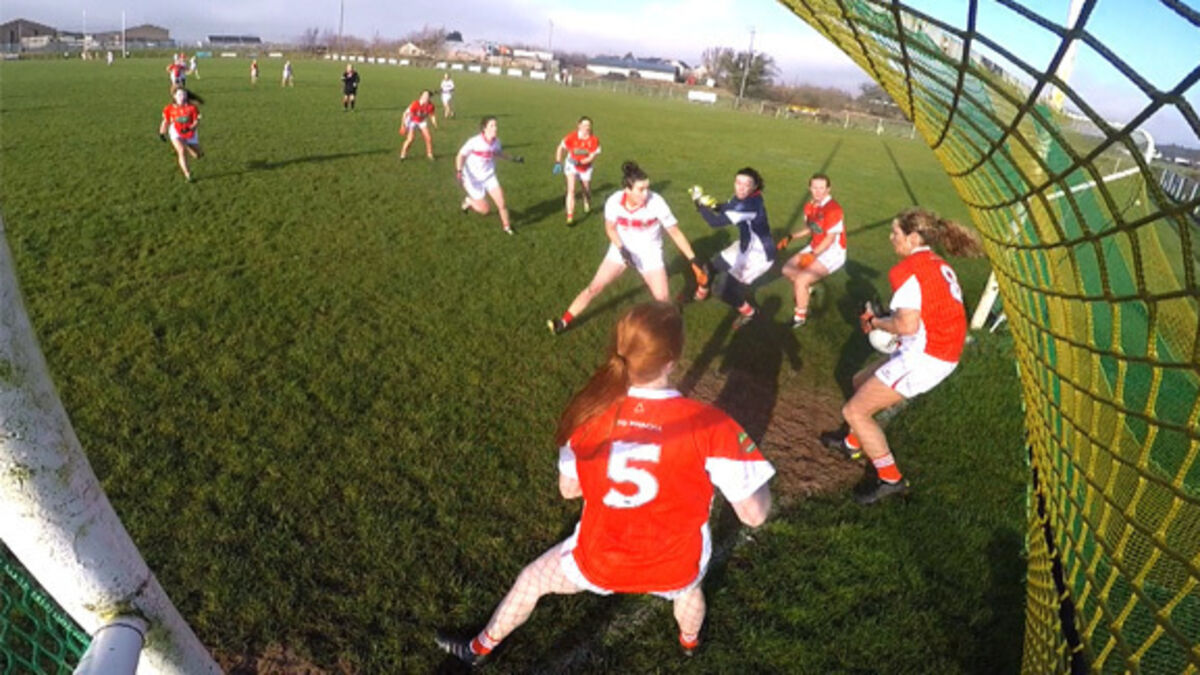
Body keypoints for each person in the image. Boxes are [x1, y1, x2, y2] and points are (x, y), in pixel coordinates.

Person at [436, 301, 775, 666]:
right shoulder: (712, 425)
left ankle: (477, 649)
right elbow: (754, 515)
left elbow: (569, 490)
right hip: (675, 563)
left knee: (532, 580)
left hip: (599, 559)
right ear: (672, 360)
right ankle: (689, 643)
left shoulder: (589, 413)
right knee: (689, 589)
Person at [821, 207, 983, 504]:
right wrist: (885, 321)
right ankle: (852, 443)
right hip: (939, 348)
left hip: (927, 357)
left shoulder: (906, 271)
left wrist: (876, 322)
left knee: (854, 412)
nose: (890, 237)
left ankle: (890, 479)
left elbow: (906, 326)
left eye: (895, 232)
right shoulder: (937, 263)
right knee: (860, 381)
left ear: (913, 237)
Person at [548, 162, 707, 335]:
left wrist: (693, 260)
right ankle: (563, 322)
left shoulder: (657, 202)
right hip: (620, 249)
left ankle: (671, 332)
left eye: (647, 188)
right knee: (594, 287)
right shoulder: (614, 202)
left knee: (663, 301)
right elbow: (610, 228)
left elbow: (675, 232)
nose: (646, 193)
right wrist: (622, 249)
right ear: (627, 189)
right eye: (641, 189)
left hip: (650, 254)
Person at [689, 167, 774, 329]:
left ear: (754, 187)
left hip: (758, 256)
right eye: (738, 182)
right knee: (710, 267)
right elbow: (729, 207)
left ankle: (750, 313)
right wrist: (714, 205)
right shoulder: (748, 197)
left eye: (746, 184)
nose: (741, 188)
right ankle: (702, 293)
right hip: (746, 245)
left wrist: (699, 205)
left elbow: (715, 222)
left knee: (723, 291)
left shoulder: (749, 205)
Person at [776, 174, 846, 328]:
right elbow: (811, 228)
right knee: (787, 270)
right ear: (810, 188)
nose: (818, 191)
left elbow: (829, 239)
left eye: (822, 188)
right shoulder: (810, 206)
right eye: (815, 187)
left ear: (828, 189)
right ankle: (808, 289)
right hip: (815, 246)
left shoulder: (833, 209)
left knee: (801, 280)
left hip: (833, 252)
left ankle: (800, 317)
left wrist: (812, 256)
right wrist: (791, 237)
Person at [456, 116, 523, 235]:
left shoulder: (496, 142)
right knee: (485, 210)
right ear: (484, 128)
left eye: (496, 125)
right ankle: (469, 201)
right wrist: (459, 171)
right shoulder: (474, 141)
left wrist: (514, 158)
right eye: (492, 126)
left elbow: (498, 153)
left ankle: (507, 227)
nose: (495, 128)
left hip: (489, 176)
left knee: (501, 202)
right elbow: (460, 155)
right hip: (473, 179)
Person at [554, 116, 602, 225]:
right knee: (571, 190)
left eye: (588, 125)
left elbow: (591, 157)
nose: (587, 127)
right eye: (584, 125)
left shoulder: (594, 140)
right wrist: (558, 162)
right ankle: (570, 216)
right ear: (579, 125)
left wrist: (581, 162)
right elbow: (560, 147)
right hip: (571, 165)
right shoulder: (572, 137)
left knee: (586, 189)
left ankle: (587, 201)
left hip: (585, 167)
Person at [158, 87, 205, 182]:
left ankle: (186, 145)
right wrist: (162, 133)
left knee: (198, 155)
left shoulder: (192, 108)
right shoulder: (169, 108)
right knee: (181, 151)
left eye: (184, 94)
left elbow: (196, 122)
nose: (182, 97)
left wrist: (190, 128)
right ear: (174, 96)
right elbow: (165, 121)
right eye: (179, 95)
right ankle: (188, 175)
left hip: (190, 132)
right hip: (176, 131)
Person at [400, 90, 438, 160]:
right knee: (410, 139)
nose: (425, 97)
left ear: (429, 97)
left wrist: (434, 123)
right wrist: (403, 125)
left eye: (427, 95)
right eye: (424, 95)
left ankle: (430, 154)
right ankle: (403, 154)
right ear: (421, 96)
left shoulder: (431, 106)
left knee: (428, 138)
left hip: (422, 121)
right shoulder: (415, 104)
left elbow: (432, 115)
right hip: (412, 121)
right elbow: (405, 114)